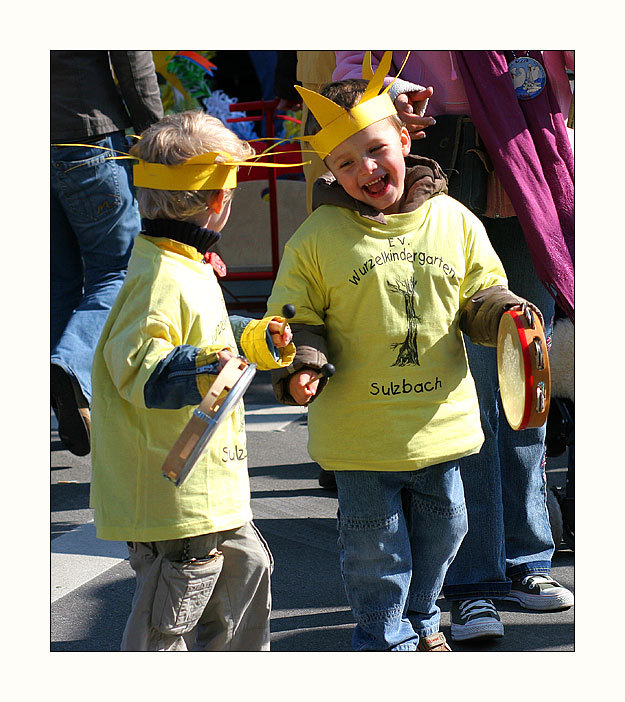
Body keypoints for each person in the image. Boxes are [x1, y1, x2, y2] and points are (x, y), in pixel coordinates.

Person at [265, 53, 542, 651]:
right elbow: (295, 315)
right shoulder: (317, 238)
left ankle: (420, 616)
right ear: (331, 173)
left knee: (450, 527)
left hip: (438, 425)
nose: (364, 168)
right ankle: (385, 637)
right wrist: (302, 364)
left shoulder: (454, 219)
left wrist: (505, 314)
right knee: (375, 544)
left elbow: (481, 293)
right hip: (360, 434)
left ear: (403, 135)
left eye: (374, 149)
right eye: (344, 162)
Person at [333, 50, 574, 642]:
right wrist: (386, 91)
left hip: (529, 152)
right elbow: (348, 73)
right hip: (432, 152)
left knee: (527, 371)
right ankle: (474, 582)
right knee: (471, 396)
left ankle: (527, 559)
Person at [88, 110, 296, 651]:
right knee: (171, 618)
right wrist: (210, 362)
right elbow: (140, 369)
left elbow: (213, 332)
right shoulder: (159, 278)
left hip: (212, 488)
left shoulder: (188, 263)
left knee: (249, 574)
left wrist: (257, 340)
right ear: (219, 203)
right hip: (175, 497)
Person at [51, 50, 163, 456]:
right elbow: (132, 59)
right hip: (87, 136)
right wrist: (156, 136)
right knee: (117, 272)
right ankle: (72, 370)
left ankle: (71, 392)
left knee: (58, 282)